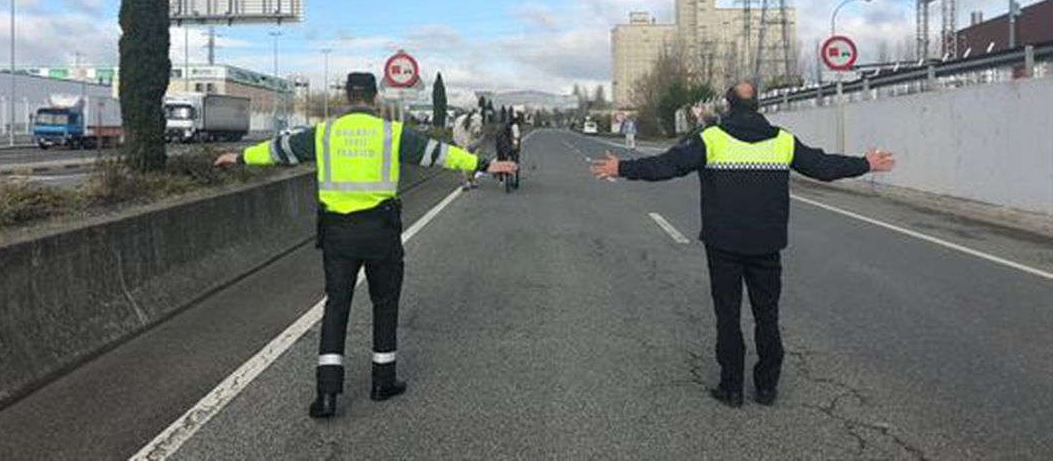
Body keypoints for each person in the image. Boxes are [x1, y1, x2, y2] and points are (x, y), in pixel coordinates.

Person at [215, 73, 515, 419]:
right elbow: (441, 154)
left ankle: (327, 394)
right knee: (385, 304)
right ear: (374, 98)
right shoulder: (391, 133)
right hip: (380, 232)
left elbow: (280, 150)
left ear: (346, 97)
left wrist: (238, 158)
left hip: (337, 234)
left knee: (337, 305)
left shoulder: (324, 133)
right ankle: (382, 381)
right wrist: (485, 164)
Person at [590, 81, 894, 408]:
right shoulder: (783, 141)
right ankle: (766, 388)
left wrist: (621, 167)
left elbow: (667, 166)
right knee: (767, 315)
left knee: (728, 315)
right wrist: (865, 163)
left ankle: (731, 388)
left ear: (727, 105)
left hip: (724, 246)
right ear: (758, 106)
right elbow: (822, 166)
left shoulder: (711, 139)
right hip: (767, 245)